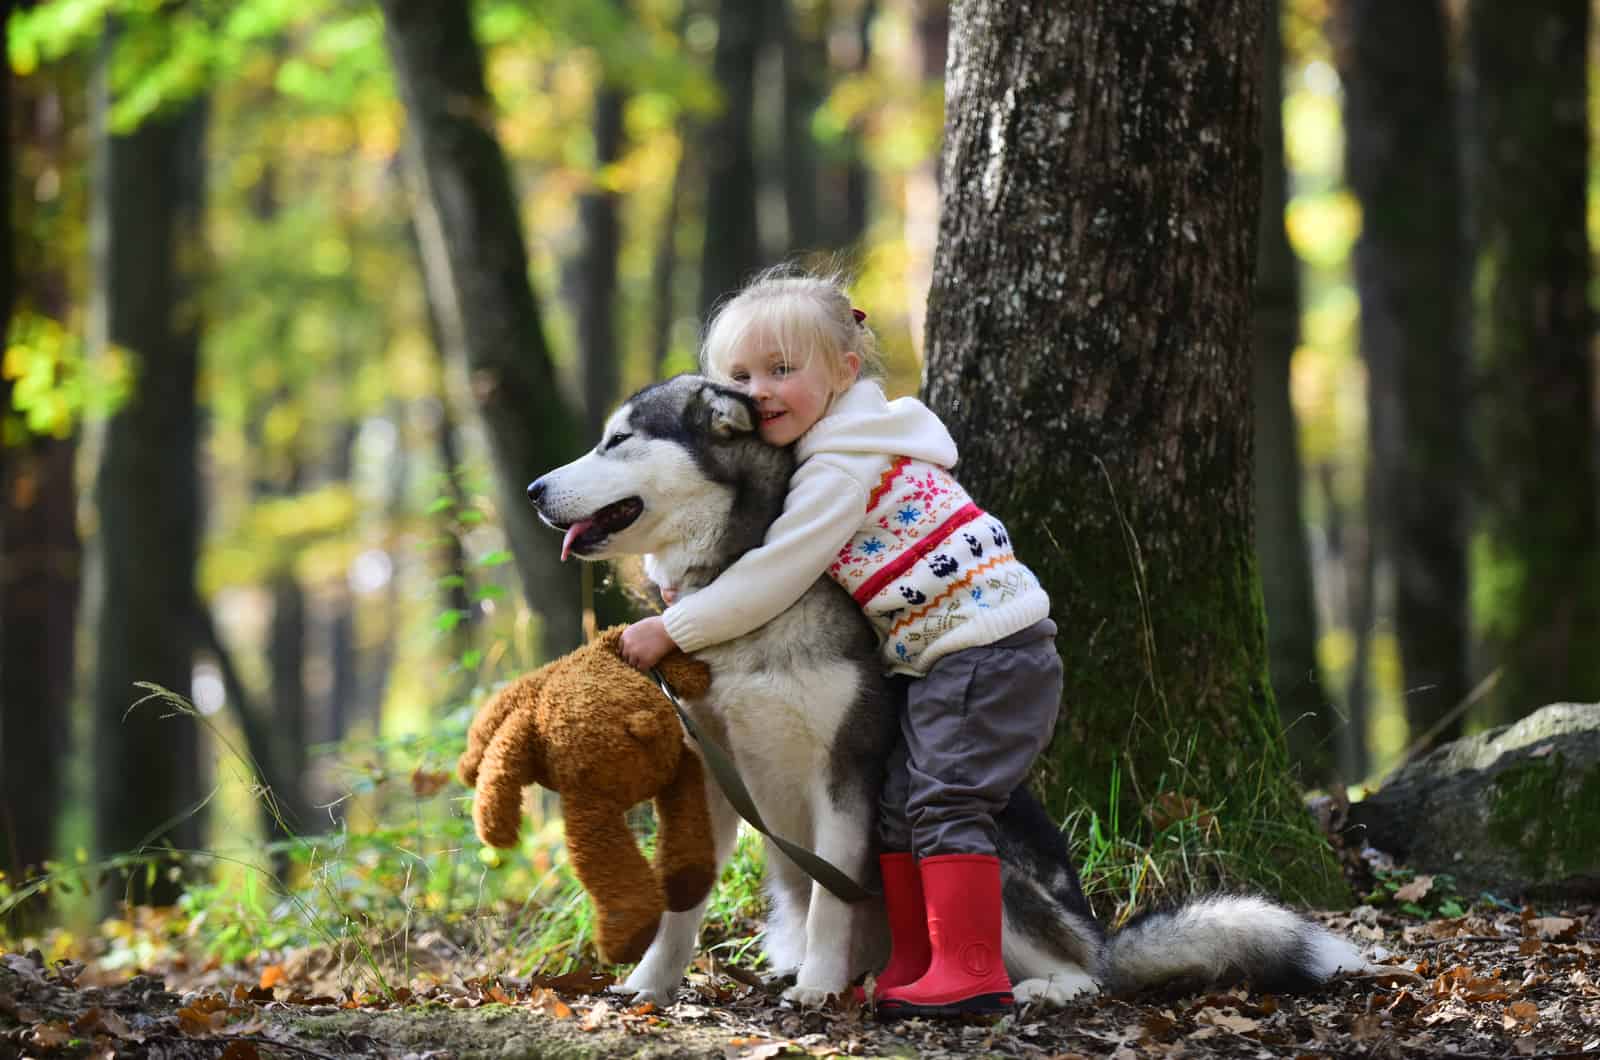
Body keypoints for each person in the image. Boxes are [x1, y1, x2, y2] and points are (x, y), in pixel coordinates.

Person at [620, 267, 1062, 1018]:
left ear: (844, 371)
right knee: (895, 805)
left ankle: (974, 969)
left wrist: (676, 625)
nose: (759, 389)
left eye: (782, 370)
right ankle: (913, 962)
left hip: (988, 650)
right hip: (942, 653)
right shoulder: (844, 441)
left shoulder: (840, 464)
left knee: (944, 800)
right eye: (740, 374)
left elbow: (779, 569)